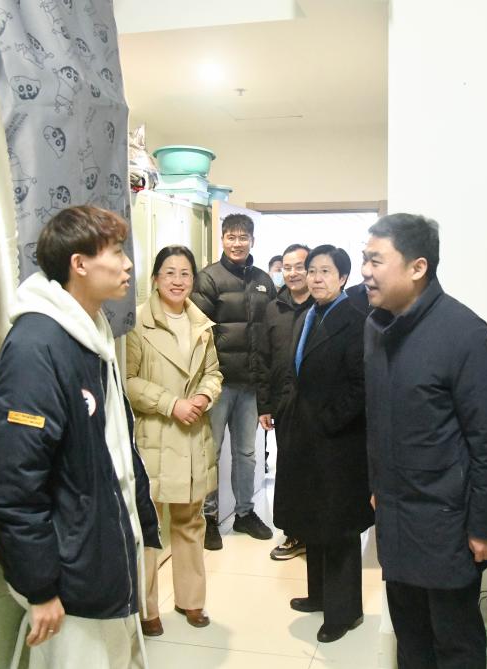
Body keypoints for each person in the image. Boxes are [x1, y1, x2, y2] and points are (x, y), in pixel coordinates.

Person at [0, 205, 161, 669]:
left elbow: (115, 450)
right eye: (116, 252)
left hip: (100, 555)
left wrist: (144, 523)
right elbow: (13, 485)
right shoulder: (37, 346)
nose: (127, 264)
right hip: (70, 575)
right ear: (79, 264)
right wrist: (40, 588)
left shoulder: (90, 333)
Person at [361, 213, 487, 669]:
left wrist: (485, 527)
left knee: (455, 644)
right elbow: (378, 420)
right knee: (410, 641)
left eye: (376, 260)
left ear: (417, 267)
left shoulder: (465, 334)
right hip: (395, 516)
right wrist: (376, 486)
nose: (365, 271)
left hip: (447, 526)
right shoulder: (376, 328)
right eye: (365, 259)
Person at [273, 245, 374, 642]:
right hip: (305, 438)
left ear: (343, 278)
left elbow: (361, 386)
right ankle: (318, 596)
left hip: (338, 444)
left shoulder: (356, 320)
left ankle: (344, 613)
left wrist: (329, 421)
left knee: (339, 529)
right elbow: (295, 373)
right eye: (312, 270)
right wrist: (287, 413)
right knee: (312, 520)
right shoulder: (308, 315)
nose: (315, 278)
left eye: (325, 271)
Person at [126, 245, 223, 637]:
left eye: (185, 273)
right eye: (169, 273)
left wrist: (203, 397)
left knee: (190, 522)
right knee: (149, 526)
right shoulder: (137, 323)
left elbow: (213, 372)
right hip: (156, 435)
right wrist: (171, 404)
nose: (178, 281)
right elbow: (127, 381)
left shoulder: (201, 324)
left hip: (193, 434)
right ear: (155, 279)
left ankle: (191, 600)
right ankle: (147, 608)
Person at [191, 213, 277, 549]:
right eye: (231, 237)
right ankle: (209, 518)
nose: (237, 243)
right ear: (222, 239)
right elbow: (198, 331)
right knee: (210, 452)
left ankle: (244, 513)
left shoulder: (263, 280)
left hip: (250, 384)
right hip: (218, 383)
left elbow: (271, 329)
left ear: (252, 240)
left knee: (246, 453)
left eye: (243, 237)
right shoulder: (208, 278)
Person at [258, 243, 315, 561]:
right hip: (284, 404)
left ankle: (317, 533)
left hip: (318, 406)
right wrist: (264, 405)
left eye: (299, 266)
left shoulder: (322, 307)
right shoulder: (273, 308)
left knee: (316, 470)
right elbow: (263, 359)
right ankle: (294, 533)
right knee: (289, 470)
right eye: (287, 267)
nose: (292, 273)